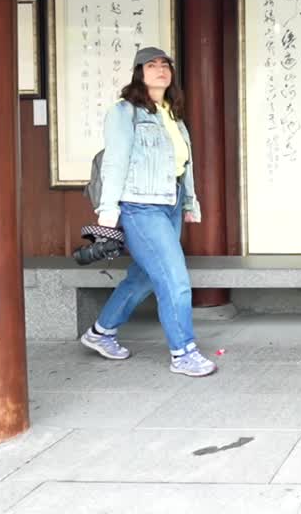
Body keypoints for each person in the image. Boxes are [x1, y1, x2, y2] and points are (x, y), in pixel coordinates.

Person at [78, 46, 217, 377]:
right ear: (139, 73)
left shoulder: (171, 114)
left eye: (165, 65)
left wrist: (189, 203)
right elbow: (115, 161)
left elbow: (185, 165)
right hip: (140, 206)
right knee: (174, 278)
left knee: (143, 276)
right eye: (151, 65)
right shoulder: (124, 112)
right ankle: (183, 352)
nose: (160, 70)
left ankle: (101, 332)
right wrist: (107, 212)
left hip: (169, 202)